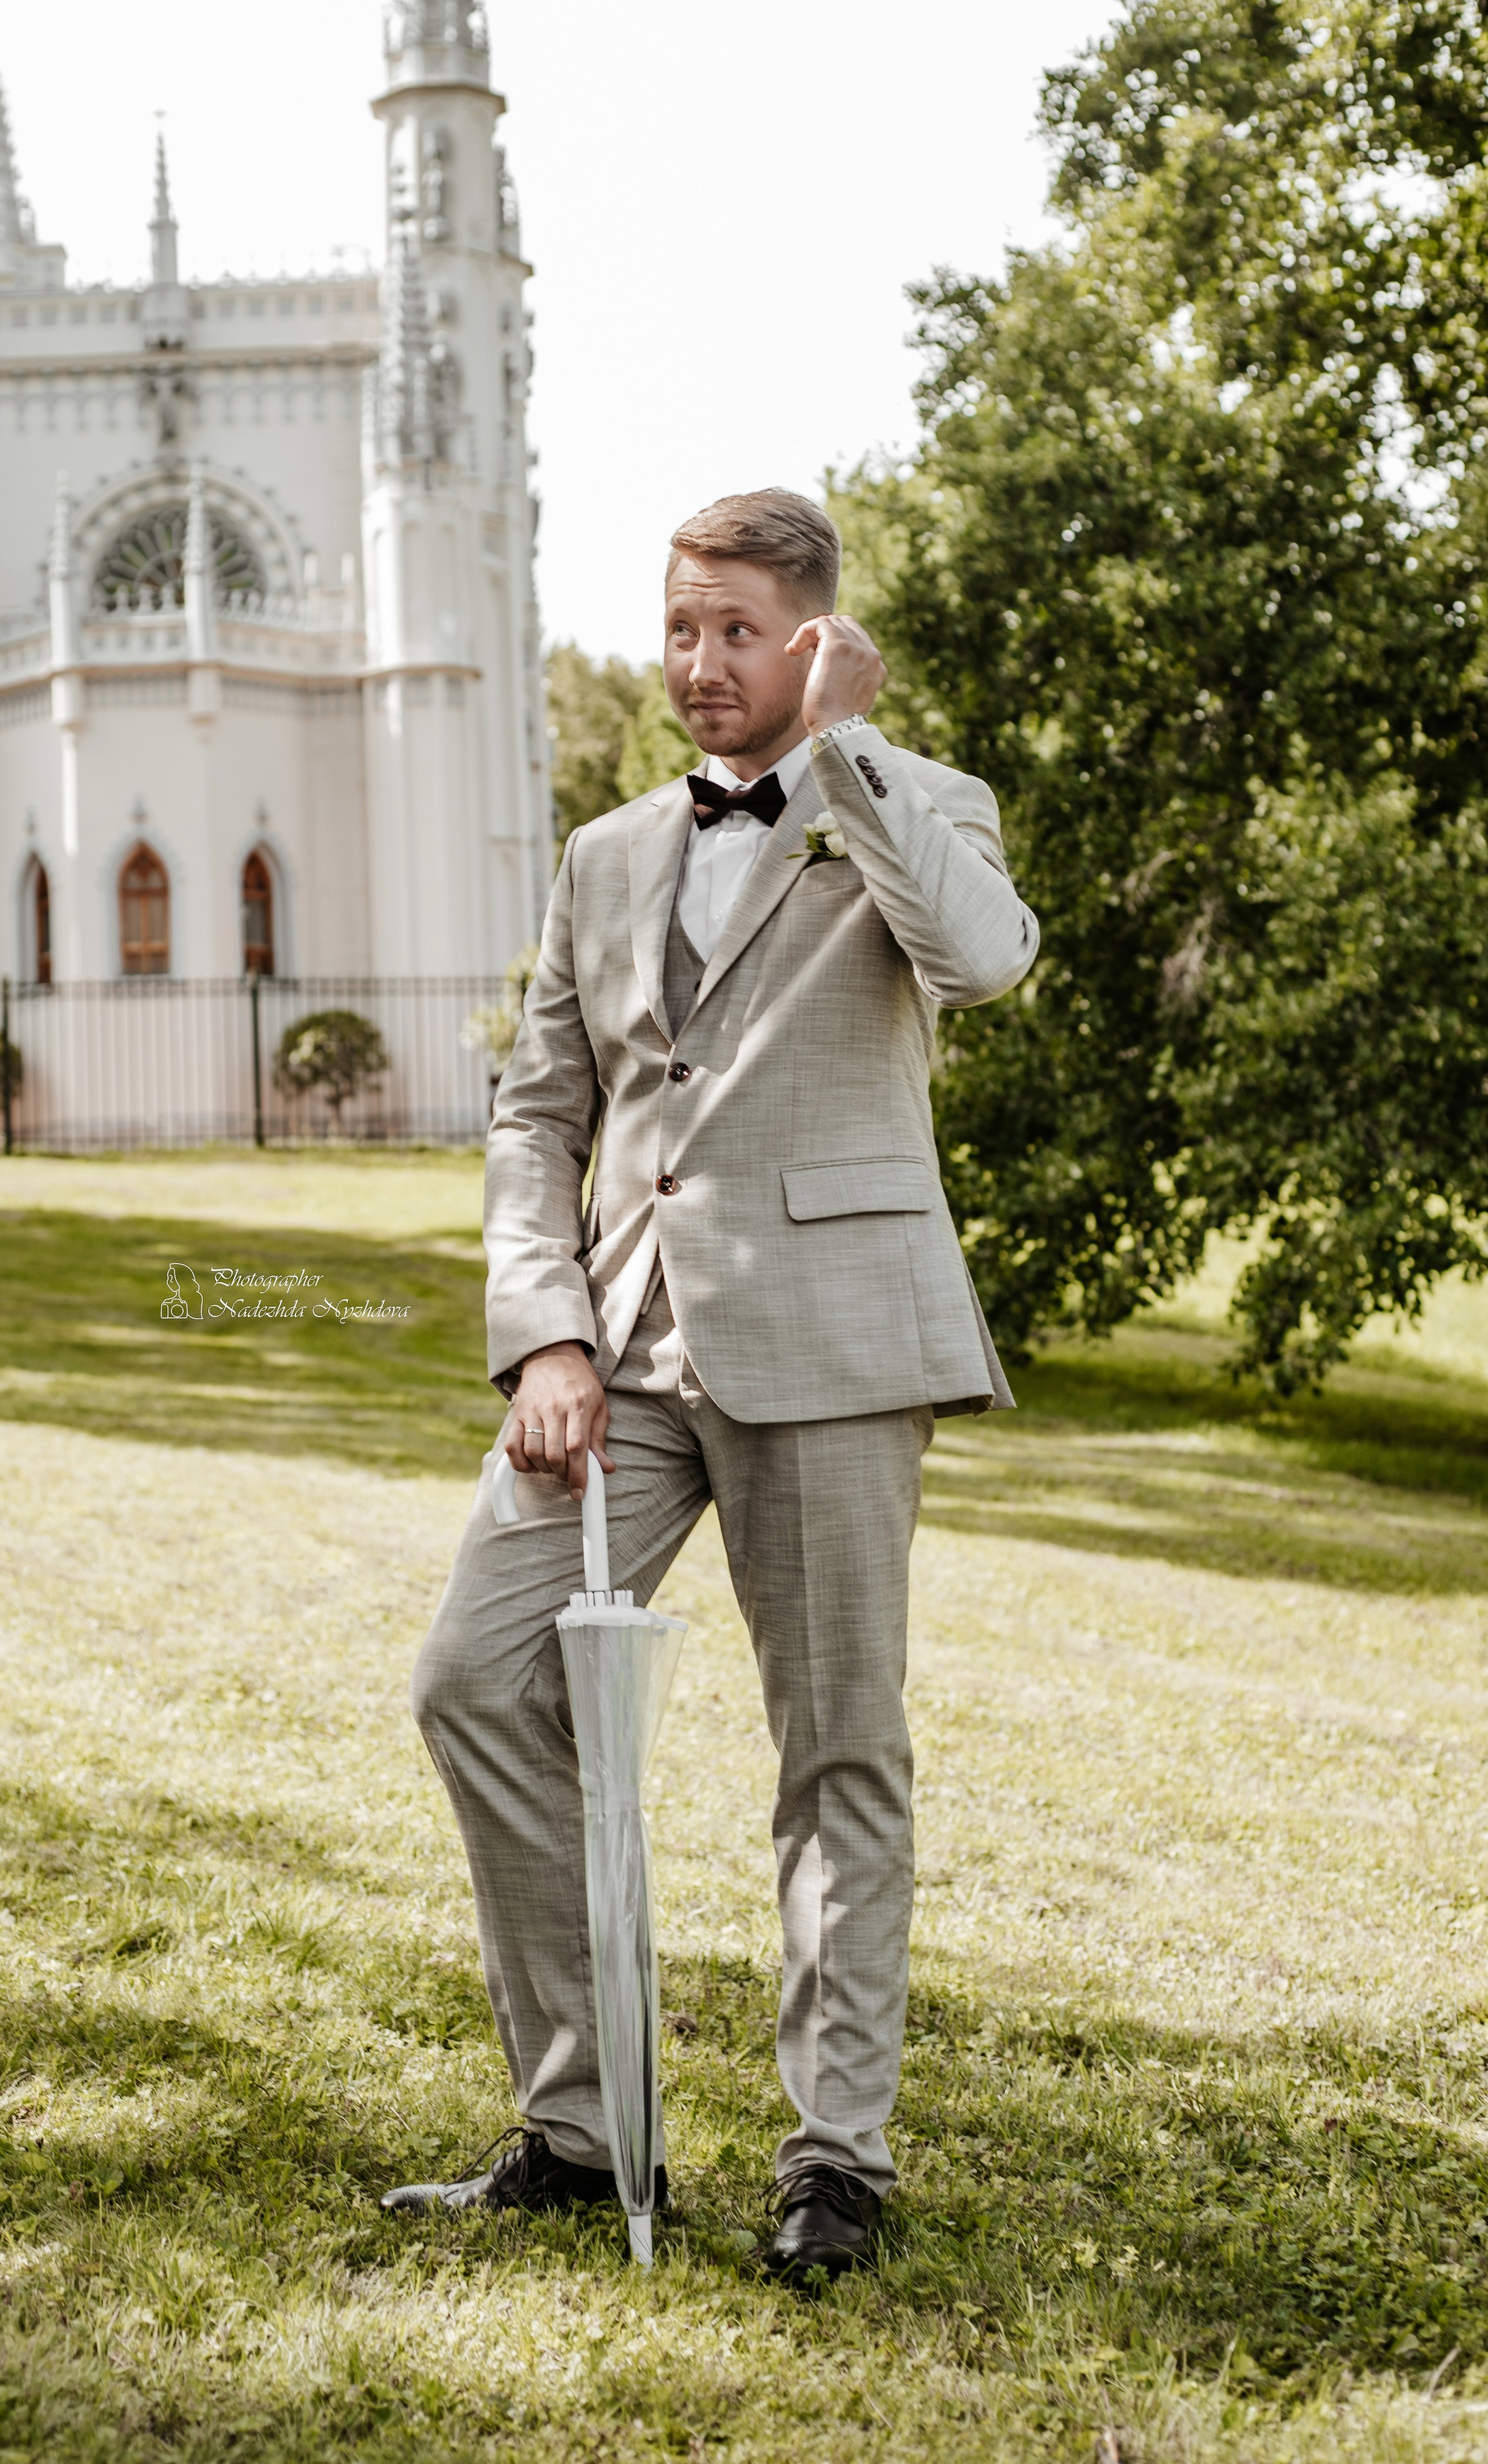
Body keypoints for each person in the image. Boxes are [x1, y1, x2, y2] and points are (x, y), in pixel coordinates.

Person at [381, 489, 1038, 2280]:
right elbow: (540, 1114)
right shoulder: (600, 853)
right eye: (680, 627)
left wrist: (852, 750)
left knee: (835, 1747)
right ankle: (582, 2120)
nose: (696, 664)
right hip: (626, 1350)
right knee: (476, 1673)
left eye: (736, 630)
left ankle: (840, 2154)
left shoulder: (916, 808)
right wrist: (546, 1328)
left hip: (834, 1337)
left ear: (816, 632)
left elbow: (984, 959)